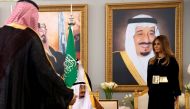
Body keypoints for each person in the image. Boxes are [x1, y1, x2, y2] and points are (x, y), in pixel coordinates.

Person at [0, 0, 76, 109]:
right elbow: (45, 73)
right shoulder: (29, 37)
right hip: (20, 100)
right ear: (31, 16)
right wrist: (67, 94)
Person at [113, 14, 160, 85]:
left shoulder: (165, 61)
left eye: (151, 33)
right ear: (131, 36)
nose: (146, 40)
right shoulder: (115, 59)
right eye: (140, 34)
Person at [147, 35, 181, 109]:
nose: (155, 46)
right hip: (153, 94)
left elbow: (175, 79)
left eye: (158, 44)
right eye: (154, 44)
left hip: (166, 94)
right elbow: (149, 79)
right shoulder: (151, 61)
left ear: (164, 45)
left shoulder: (171, 61)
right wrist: (150, 90)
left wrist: (176, 95)